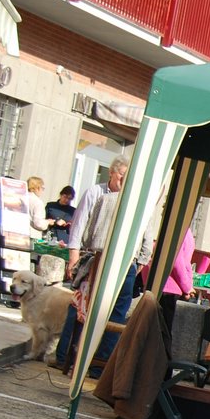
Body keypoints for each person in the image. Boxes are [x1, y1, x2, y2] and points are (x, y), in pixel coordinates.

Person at [55, 158, 134, 373]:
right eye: (121, 176)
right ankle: (65, 356)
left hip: (103, 258)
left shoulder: (129, 200)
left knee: (100, 310)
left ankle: (92, 363)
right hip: (93, 258)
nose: (123, 180)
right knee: (80, 307)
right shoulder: (96, 194)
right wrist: (74, 255)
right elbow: (80, 226)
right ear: (112, 173)